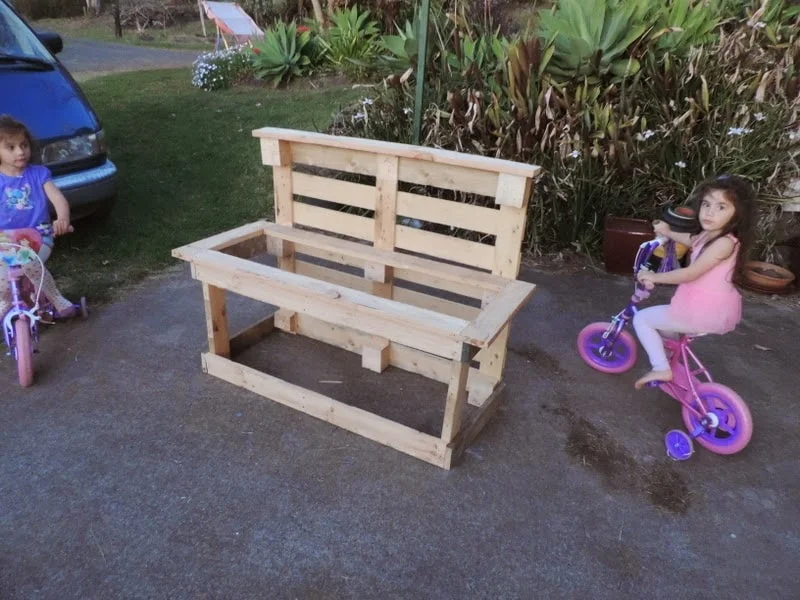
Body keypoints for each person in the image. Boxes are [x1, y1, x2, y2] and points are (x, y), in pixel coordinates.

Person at [633, 174, 755, 390]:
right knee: (663, 320)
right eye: (706, 204)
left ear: (737, 215)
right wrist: (668, 232)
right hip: (698, 305)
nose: (709, 212)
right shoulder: (711, 234)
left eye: (721, 207)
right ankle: (670, 355)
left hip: (702, 311)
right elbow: (692, 242)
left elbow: (691, 273)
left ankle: (661, 367)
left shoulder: (724, 244)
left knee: (642, 319)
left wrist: (654, 276)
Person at [0, 115, 78, 318]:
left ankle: (55, 297)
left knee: (30, 262)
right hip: (4, 238)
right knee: (2, 275)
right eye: (11, 147)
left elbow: (58, 198)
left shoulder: (39, 174)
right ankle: (5, 301)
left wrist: (62, 219)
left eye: (24, 145)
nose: (20, 151)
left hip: (37, 234)